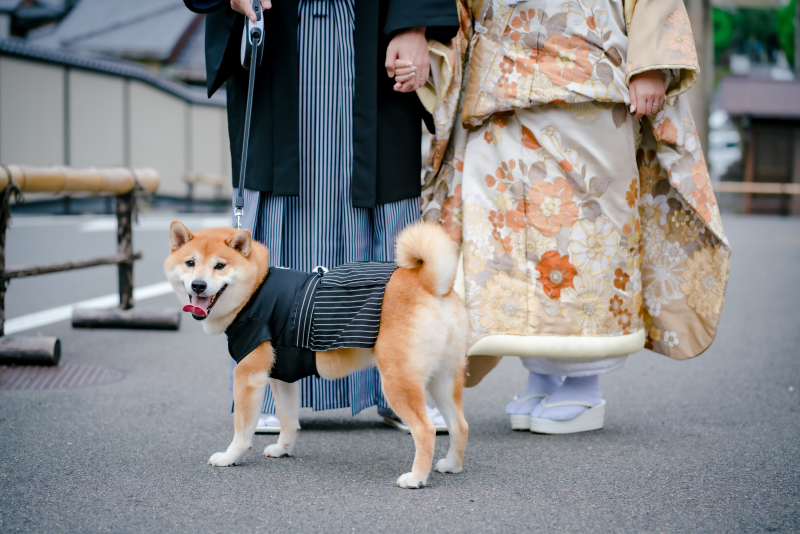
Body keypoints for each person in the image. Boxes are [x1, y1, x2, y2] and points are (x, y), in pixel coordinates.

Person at [417, 0, 731, 433]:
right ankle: (541, 375)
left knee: (584, 237)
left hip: (589, 72)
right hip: (498, 77)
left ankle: (585, 384)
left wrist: (651, 64)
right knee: (510, 251)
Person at [183, 0, 460, 430]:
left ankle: (402, 384)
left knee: (383, 182)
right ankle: (267, 387)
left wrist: (414, 24)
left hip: (372, 18)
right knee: (276, 187)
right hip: (277, 19)